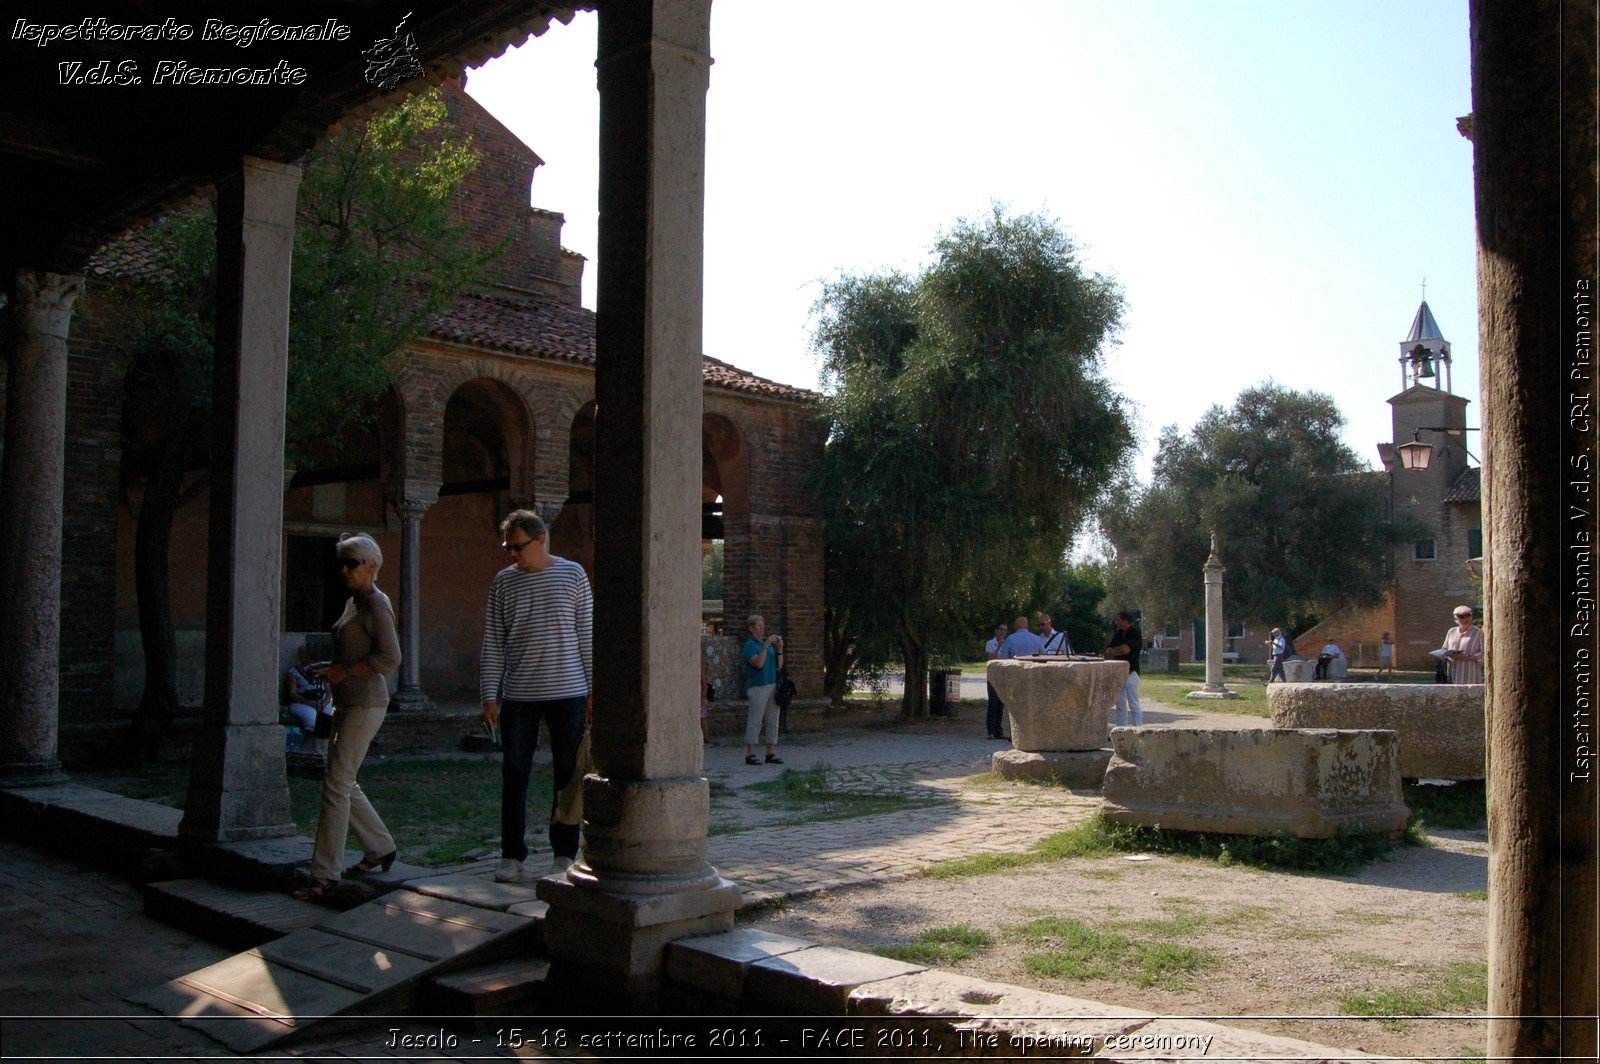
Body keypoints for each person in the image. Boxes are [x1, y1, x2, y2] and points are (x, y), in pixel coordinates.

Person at [480, 510, 594, 884]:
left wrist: (594, 690)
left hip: (568, 692)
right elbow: (494, 644)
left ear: (541, 540)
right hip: (520, 695)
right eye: (507, 547)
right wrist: (489, 697)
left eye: (518, 546)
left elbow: (587, 637)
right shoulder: (503, 583)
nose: (512, 553)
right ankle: (512, 855)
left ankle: (564, 853)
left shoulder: (572, 574)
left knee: (567, 774)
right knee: (514, 773)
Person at [295, 533, 401, 901]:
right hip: (346, 700)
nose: (344, 569)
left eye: (352, 563)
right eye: (341, 562)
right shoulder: (354, 602)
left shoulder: (375, 604)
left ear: (372, 566)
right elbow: (355, 650)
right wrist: (332, 668)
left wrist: (347, 672)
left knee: (336, 785)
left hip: (366, 703)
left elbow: (390, 658)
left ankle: (324, 875)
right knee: (341, 779)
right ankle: (381, 847)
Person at [744, 614, 783, 766]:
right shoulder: (750, 646)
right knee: (756, 720)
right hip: (757, 686)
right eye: (758, 626)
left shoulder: (766, 646)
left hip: (772, 684)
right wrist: (766, 646)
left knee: (773, 720)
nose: (762, 629)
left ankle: (770, 752)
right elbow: (758, 664)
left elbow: (778, 666)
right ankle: (751, 753)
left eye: (763, 626)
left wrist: (779, 649)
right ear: (751, 629)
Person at [285, 642, 329, 757]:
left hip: (322, 701)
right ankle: (309, 750)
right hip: (302, 702)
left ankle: (323, 751)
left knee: (327, 717)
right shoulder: (294, 672)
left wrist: (324, 702)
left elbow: (329, 693)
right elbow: (292, 693)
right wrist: (309, 703)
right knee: (312, 719)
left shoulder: (321, 670)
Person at [1105, 610, 1143, 727]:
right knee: (1120, 704)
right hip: (1119, 674)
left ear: (1125, 621)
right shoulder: (1118, 634)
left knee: (1133, 704)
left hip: (1131, 673)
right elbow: (1108, 650)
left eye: (1118, 620)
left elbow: (1125, 649)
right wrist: (1116, 650)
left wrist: (1115, 651)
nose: (1116, 623)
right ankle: (1121, 730)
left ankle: (1138, 729)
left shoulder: (1135, 633)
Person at [1442, 606, 1486, 684]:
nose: (1465, 619)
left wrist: (1467, 657)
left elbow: (1485, 654)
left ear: (1471, 617)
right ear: (1456, 619)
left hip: (1470, 676)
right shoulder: (1451, 632)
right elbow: (1444, 649)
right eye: (1461, 617)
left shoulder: (1478, 633)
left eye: (1467, 615)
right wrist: (1447, 654)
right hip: (1452, 675)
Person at [984, 622, 1009, 740]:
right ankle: (990, 732)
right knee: (992, 704)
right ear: (996, 630)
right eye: (1000, 629)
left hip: (1003, 678)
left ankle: (999, 731)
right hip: (993, 678)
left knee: (1000, 705)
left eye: (1004, 630)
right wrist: (998, 647)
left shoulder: (1008, 643)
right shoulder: (990, 643)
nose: (1002, 632)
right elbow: (990, 659)